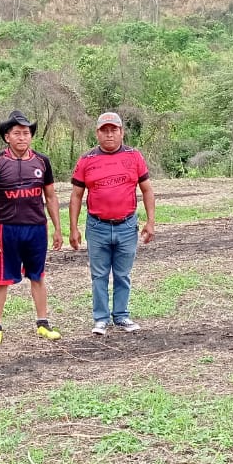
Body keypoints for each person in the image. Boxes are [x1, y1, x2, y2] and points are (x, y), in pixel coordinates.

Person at [0, 110, 64, 346]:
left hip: (37, 228)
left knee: (38, 277)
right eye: (17, 133)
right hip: (7, 230)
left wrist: (58, 229)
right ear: (7, 137)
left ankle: (43, 323)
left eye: (26, 133)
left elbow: (51, 196)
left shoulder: (42, 161)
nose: (22, 137)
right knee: (1, 280)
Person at [69, 112, 156, 336]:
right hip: (97, 226)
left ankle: (121, 315)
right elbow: (76, 195)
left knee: (122, 274)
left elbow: (147, 190)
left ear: (121, 132)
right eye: (104, 130)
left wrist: (150, 221)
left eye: (113, 130)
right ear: (97, 133)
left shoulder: (134, 156)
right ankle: (101, 319)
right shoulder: (86, 160)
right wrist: (73, 228)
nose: (109, 134)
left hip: (126, 226)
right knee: (99, 275)